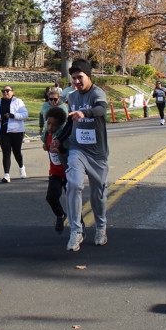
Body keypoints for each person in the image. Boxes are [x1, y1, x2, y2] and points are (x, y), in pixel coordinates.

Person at [52, 58, 109, 251]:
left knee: (98, 194)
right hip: (77, 150)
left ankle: (101, 226)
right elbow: (71, 123)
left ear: (89, 76)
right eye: (74, 78)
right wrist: (59, 139)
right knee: (73, 185)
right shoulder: (73, 97)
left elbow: (102, 109)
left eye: (80, 77)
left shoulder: (97, 93)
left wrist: (86, 113)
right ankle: (76, 231)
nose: (76, 82)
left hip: (97, 153)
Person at [0, 85, 28, 182]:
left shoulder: (18, 101)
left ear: (12, 92)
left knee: (16, 151)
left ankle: (21, 167)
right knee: (6, 152)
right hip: (3, 130)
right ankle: (6, 175)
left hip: (16, 130)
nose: (5, 92)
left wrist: (13, 115)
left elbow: (25, 114)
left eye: (7, 91)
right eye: (3, 91)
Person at [42, 105, 69, 233]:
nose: (50, 127)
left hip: (68, 172)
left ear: (61, 125)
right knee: (51, 197)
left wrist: (61, 150)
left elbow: (70, 151)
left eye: (54, 125)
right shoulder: (47, 135)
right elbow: (47, 145)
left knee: (72, 200)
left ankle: (79, 225)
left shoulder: (64, 136)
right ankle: (60, 215)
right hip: (55, 171)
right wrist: (46, 147)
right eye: (48, 123)